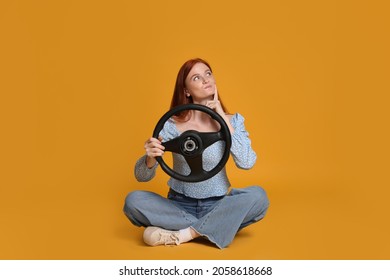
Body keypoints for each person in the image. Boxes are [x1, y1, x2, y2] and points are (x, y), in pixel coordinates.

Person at [123, 58, 269, 249]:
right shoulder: (172, 125)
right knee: (133, 200)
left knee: (259, 197)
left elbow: (247, 162)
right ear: (186, 91)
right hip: (178, 206)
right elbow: (141, 176)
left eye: (208, 74)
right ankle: (214, 228)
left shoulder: (233, 121)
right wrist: (151, 157)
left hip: (218, 204)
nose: (206, 80)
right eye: (196, 78)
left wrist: (223, 118)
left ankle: (183, 234)